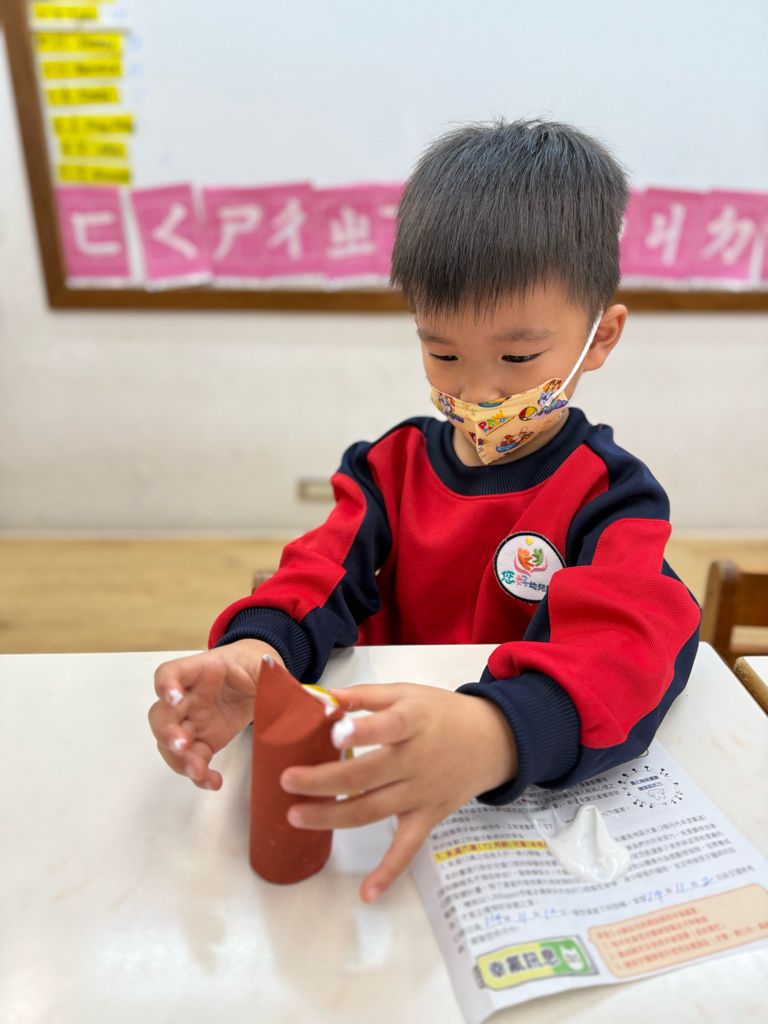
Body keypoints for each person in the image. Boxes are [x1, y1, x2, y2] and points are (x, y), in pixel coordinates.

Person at [148, 118, 701, 904]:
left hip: (510, 796)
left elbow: (628, 647)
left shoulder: (611, 495)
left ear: (600, 337)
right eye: (442, 353)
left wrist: (497, 733)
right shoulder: (390, 467)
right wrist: (256, 653)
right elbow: (317, 572)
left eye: (518, 358)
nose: (478, 392)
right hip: (381, 755)